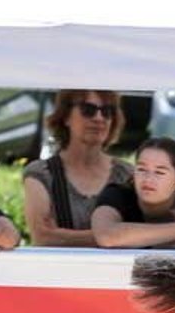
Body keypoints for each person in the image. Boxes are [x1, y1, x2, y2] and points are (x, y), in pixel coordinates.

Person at [22, 90, 134, 247]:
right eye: (88, 110)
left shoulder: (128, 174)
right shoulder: (41, 173)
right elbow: (43, 237)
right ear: (66, 116)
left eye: (107, 111)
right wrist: (117, 235)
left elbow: (147, 230)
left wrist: (64, 236)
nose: (99, 118)